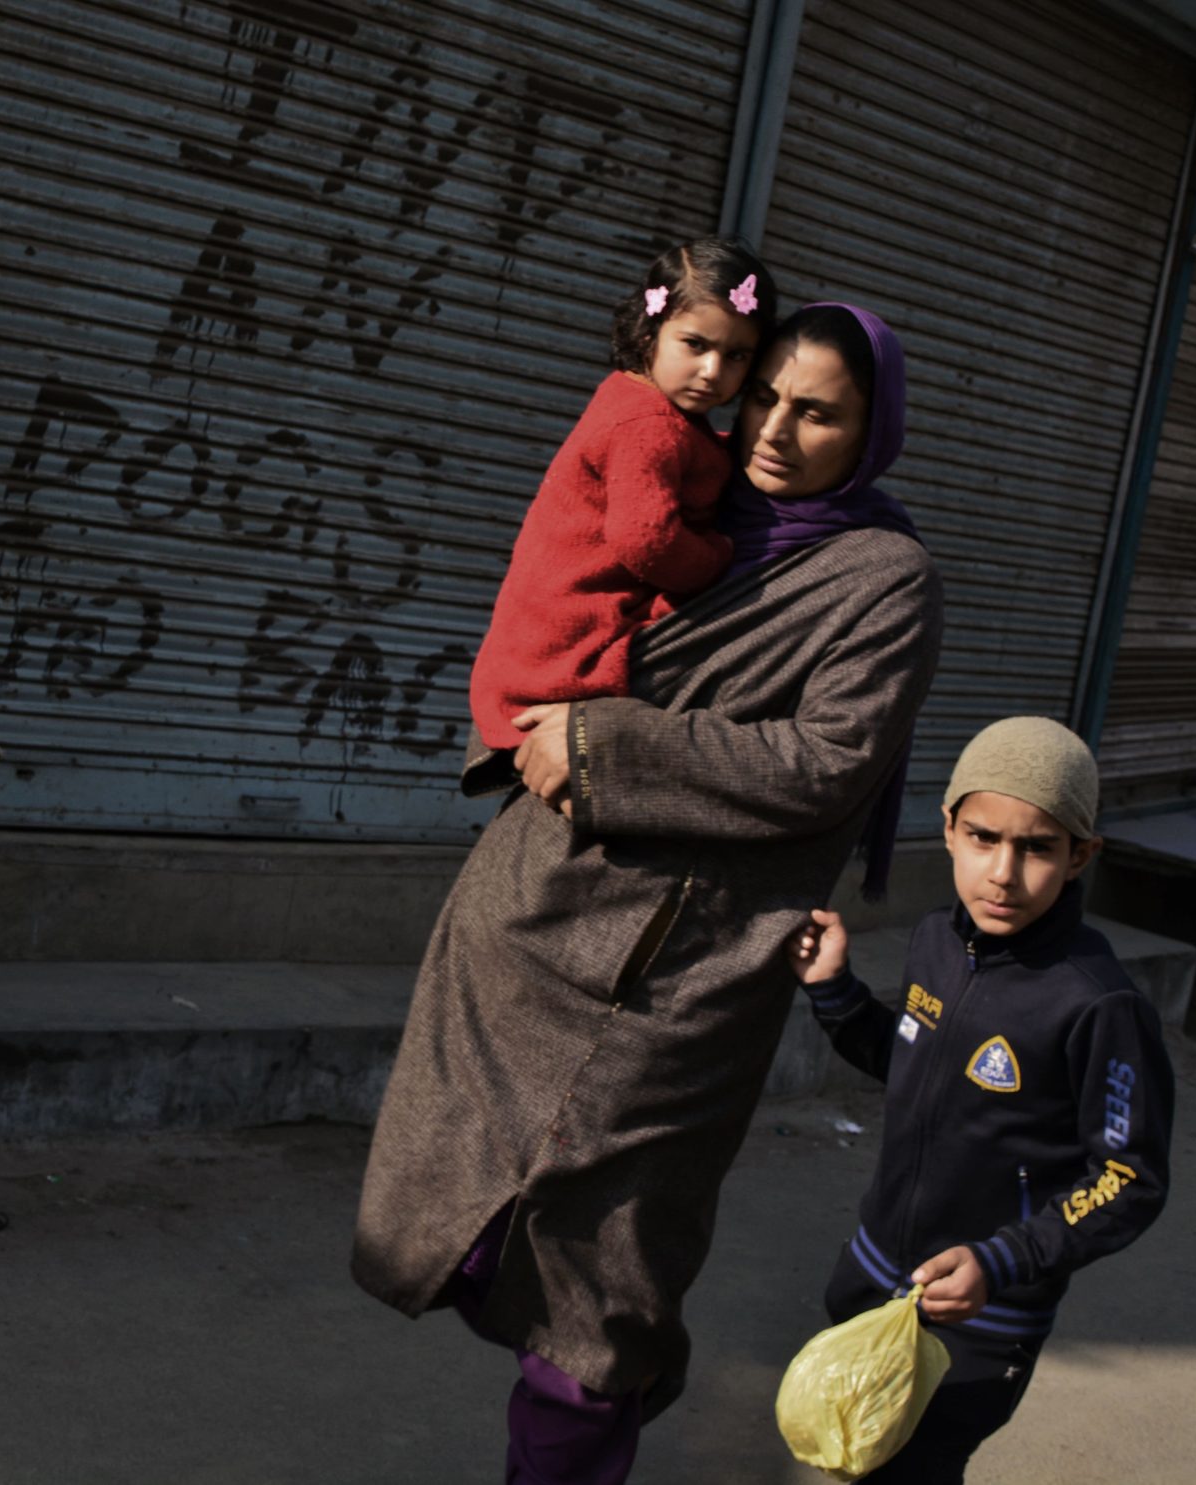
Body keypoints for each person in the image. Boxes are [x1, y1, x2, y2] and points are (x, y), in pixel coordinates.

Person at [353, 302, 944, 1484]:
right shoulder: (686, 510)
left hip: (683, 975)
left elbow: (825, 762)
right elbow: (550, 608)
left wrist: (605, 745)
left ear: (869, 431)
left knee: (604, 1286)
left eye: (814, 411)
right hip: (529, 924)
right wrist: (537, 724)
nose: (772, 430)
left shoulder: (884, 579)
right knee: (467, 1221)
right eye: (760, 396)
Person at [787, 716, 1174, 1483]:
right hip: (870, 1280)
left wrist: (1004, 1260)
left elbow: (1130, 1177)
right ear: (950, 829)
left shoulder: (1098, 1004)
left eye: (1036, 847)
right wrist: (832, 989)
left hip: (981, 1322)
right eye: (984, 837)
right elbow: (908, 1060)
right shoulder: (937, 939)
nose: (1003, 871)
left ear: (1080, 856)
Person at [469, 237, 774, 751]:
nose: (713, 372)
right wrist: (719, 556)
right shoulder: (648, 424)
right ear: (650, 330)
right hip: (565, 649)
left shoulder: (645, 405)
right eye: (695, 345)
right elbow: (646, 540)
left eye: (736, 355)